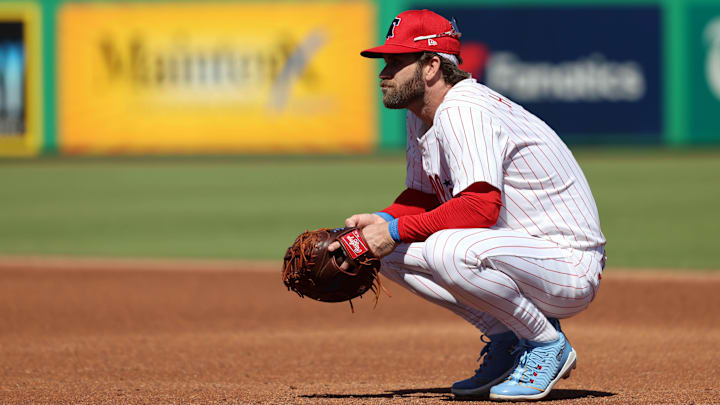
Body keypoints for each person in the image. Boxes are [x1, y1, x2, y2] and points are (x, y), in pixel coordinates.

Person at [330, 9, 606, 401]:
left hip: (566, 265)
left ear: (431, 67)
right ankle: (508, 339)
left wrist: (391, 231)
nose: (383, 73)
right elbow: (424, 197)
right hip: (517, 251)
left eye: (395, 61)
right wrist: (381, 221)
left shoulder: (464, 110)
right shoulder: (421, 115)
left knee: (447, 249)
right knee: (386, 254)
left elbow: (479, 208)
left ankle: (545, 343)